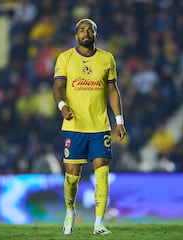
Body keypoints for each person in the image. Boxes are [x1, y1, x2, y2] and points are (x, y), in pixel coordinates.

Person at [53, 18, 127, 235]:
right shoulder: (65, 57)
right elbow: (58, 86)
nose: (86, 33)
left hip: (100, 127)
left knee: (102, 171)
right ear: (76, 35)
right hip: (74, 125)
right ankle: (69, 210)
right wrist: (62, 106)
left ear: (96, 34)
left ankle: (99, 223)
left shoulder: (107, 59)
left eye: (90, 30)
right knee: (72, 176)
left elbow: (113, 91)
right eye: (81, 30)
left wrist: (119, 121)